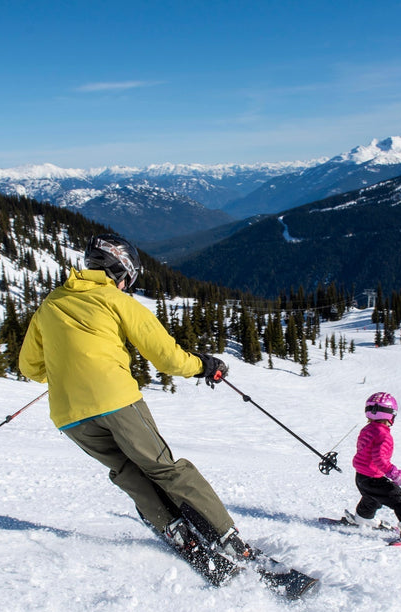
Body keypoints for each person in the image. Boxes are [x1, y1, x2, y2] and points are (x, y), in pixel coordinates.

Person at [18, 233, 254, 578]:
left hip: (69, 416)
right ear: (123, 272)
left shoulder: (51, 303)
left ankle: (176, 531)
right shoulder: (116, 300)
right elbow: (168, 358)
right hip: (115, 401)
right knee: (165, 468)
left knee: (126, 471)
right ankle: (228, 539)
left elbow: (30, 368)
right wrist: (204, 365)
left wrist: (67, 368)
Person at [342, 392, 401, 539]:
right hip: (374, 478)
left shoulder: (367, 429)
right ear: (390, 415)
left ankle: (363, 517)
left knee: (371, 497)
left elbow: (367, 454)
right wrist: (394, 473)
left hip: (361, 477)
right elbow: (379, 458)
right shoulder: (383, 434)